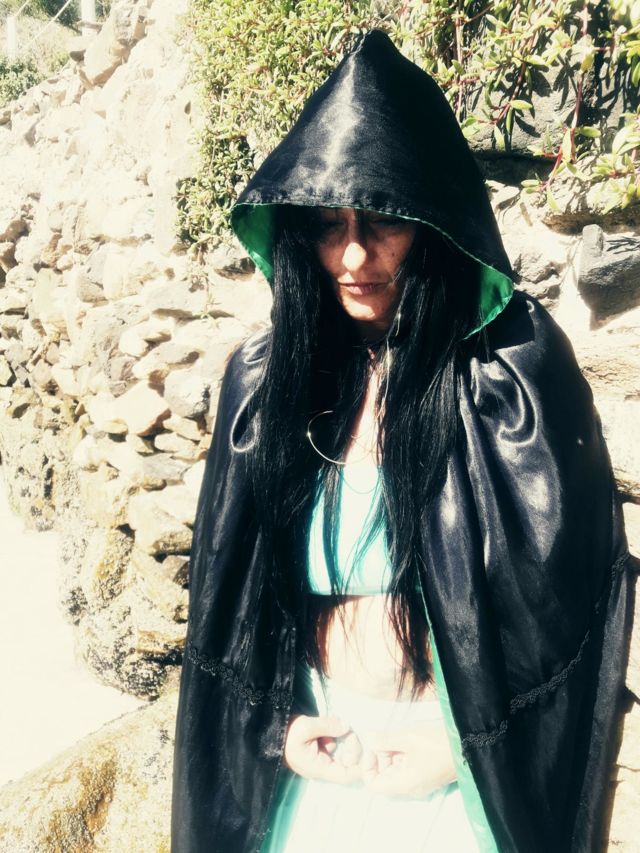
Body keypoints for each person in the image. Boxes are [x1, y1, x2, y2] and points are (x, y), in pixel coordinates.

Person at [171, 30, 632, 853]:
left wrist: (458, 748)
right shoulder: (269, 384)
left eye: (384, 220)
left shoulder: (509, 378)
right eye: (327, 224)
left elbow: (563, 611)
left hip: (451, 784)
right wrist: (277, 729)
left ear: (434, 223)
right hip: (314, 768)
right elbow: (233, 610)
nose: (353, 254)